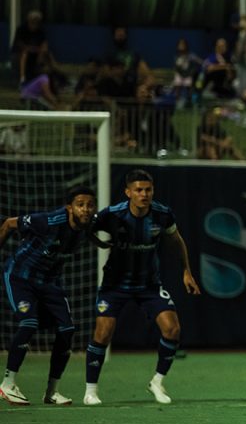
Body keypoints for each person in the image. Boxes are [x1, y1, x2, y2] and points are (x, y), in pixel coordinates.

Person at [83, 170, 201, 405]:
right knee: (103, 333)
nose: (143, 194)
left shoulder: (162, 214)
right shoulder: (113, 215)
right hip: (115, 285)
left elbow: (176, 240)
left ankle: (157, 382)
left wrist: (186, 271)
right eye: (138, 190)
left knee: (172, 329)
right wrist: (99, 243)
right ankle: (90, 391)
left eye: (147, 190)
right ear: (128, 192)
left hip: (149, 284)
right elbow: (86, 228)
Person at [0, 186, 98, 406]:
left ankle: (51, 392)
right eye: (80, 205)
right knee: (29, 322)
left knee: (67, 330)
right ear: (69, 208)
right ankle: (7, 384)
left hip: (50, 282)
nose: (85, 209)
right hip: (20, 276)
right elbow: (8, 223)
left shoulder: (90, 223)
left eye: (90, 205)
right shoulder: (48, 221)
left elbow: (96, 232)